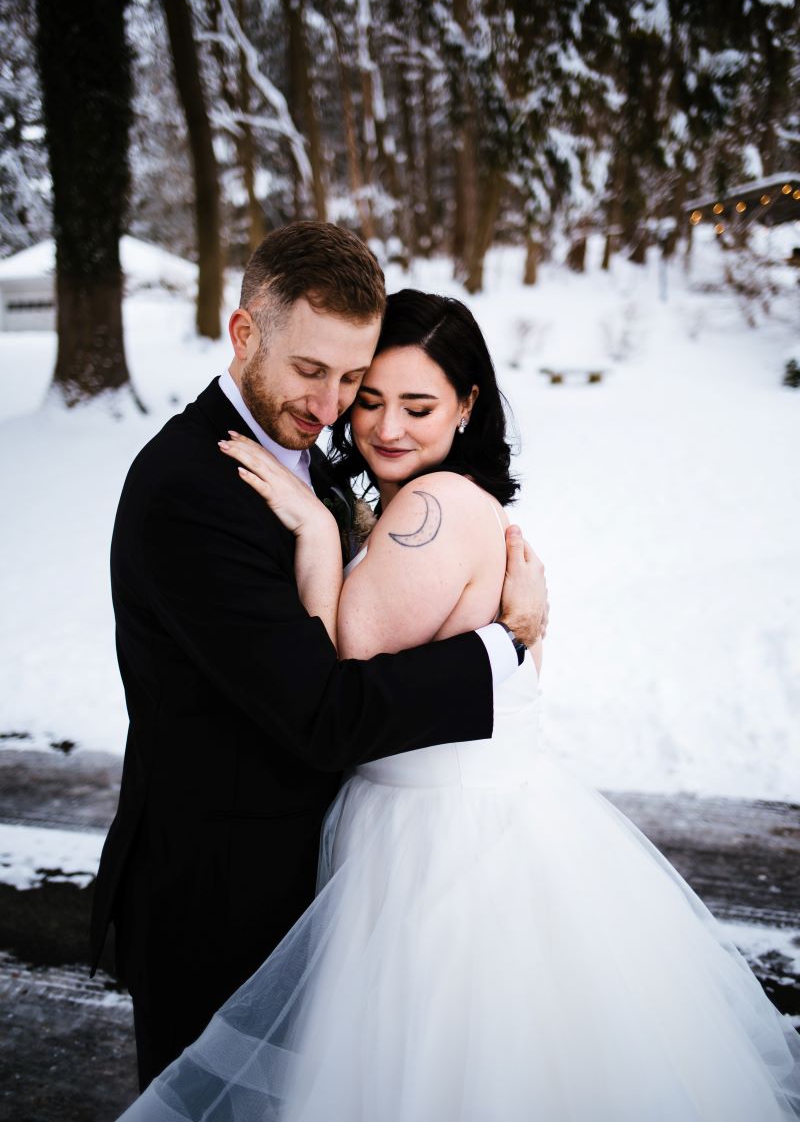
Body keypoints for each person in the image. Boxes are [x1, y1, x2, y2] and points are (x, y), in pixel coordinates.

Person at [118, 289, 800, 1121]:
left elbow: (333, 674)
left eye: (418, 405)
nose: (382, 426)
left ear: (468, 406)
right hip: (446, 828)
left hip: (433, 854)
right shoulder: (436, 502)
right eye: (366, 399)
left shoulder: (433, 508)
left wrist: (326, 543)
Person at [90, 224, 548, 1091]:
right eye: (313, 372)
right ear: (244, 332)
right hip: (219, 901)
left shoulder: (317, 465)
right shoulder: (191, 490)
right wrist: (503, 646)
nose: (335, 406)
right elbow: (322, 712)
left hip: (322, 891)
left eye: (352, 378)